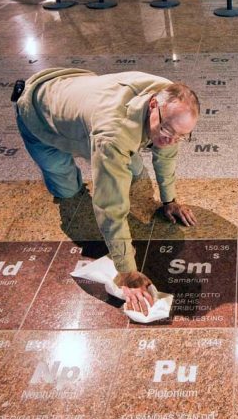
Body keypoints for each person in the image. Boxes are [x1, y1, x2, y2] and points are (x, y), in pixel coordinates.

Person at [15, 69, 200, 314]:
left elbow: (166, 155)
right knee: (68, 188)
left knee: (131, 169)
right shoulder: (114, 133)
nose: (171, 139)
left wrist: (170, 200)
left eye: (181, 136)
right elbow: (110, 207)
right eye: (166, 131)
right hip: (40, 113)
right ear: (153, 104)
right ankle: (67, 180)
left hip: (78, 92)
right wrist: (127, 273)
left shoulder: (170, 99)